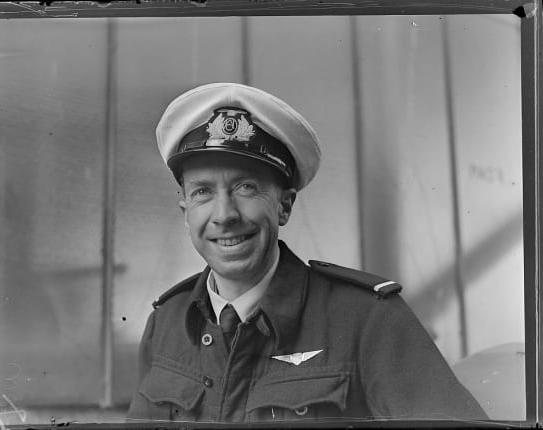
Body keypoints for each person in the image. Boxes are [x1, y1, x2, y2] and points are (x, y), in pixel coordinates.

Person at [126, 83, 488, 423]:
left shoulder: (368, 320)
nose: (224, 215)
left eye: (246, 187)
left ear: (284, 205)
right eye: (203, 192)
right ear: (185, 211)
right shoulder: (166, 323)